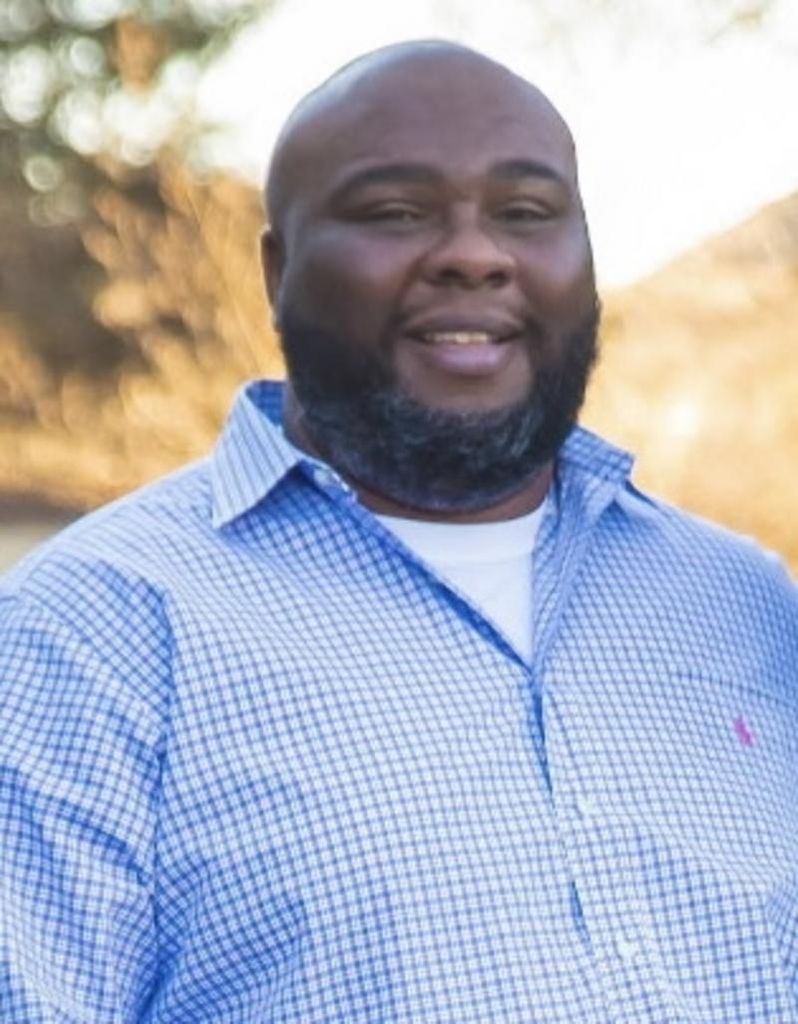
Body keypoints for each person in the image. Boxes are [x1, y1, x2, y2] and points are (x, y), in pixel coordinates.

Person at [1, 39, 797, 1024]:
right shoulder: (88, 636)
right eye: (395, 213)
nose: (475, 254)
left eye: (526, 212)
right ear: (278, 270)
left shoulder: (745, 608)